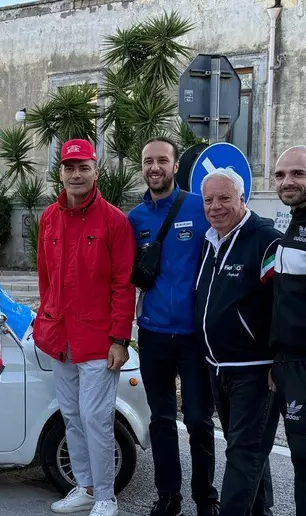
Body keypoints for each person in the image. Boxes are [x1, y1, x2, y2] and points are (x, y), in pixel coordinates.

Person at [35, 139, 136, 516]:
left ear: (96, 170)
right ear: (60, 172)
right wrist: (45, 319)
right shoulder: (49, 218)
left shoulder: (114, 221)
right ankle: (86, 486)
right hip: (60, 339)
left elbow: (123, 285)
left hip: (98, 342)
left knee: (96, 418)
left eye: (84, 168)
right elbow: (45, 277)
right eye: (69, 168)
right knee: (71, 415)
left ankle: (107, 496)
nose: (76, 175)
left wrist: (120, 339)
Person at [127, 138, 218, 516]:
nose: (155, 167)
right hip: (153, 335)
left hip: (196, 337)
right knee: (162, 420)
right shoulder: (134, 219)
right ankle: (168, 497)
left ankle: (205, 499)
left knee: (198, 419)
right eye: (148, 161)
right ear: (143, 167)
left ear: (175, 165)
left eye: (162, 160)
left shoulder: (201, 208)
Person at [194, 168, 281, 516]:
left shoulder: (266, 239)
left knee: (242, 455)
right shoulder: (210, 240)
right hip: (219, 368)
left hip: (255, 371)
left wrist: (278, 359)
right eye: (209, 200)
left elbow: (283, 304)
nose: (215, 207)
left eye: (224, 198)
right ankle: (261, 511)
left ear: (242, 199)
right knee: (246, 448)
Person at [270, 145, 306, 515]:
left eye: (298, 174)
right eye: (281, 175)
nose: (287, 182)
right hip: (287, 363)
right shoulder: (292, 220)